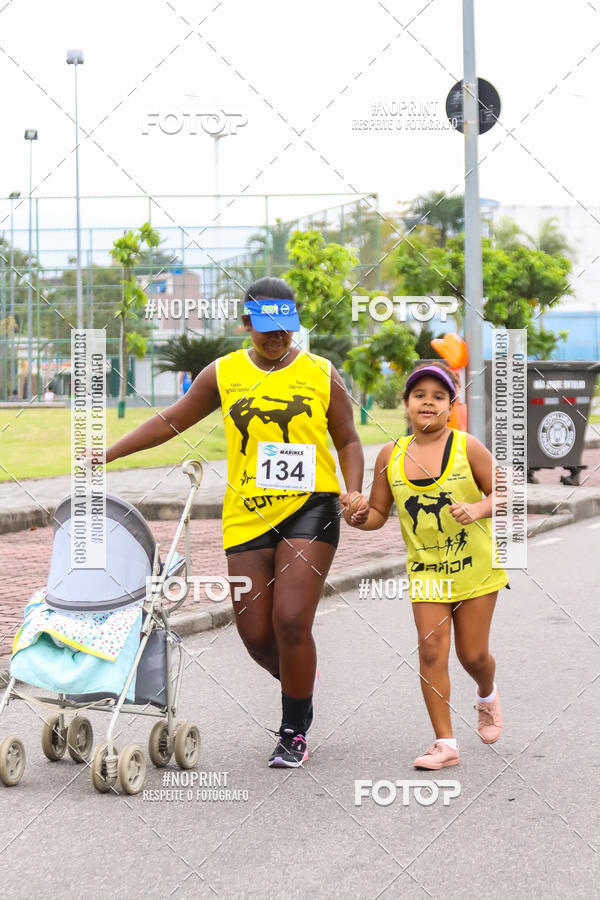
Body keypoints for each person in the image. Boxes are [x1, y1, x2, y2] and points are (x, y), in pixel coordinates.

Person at [105, 276, 364, 768]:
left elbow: (348, 439)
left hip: (311, 507)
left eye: (285, 326)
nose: (277, 336)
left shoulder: (320, 372)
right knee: (256, 636)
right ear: (246, 323)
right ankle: (299, 684)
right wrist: (110, 453)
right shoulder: (223, 373)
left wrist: (352, 490)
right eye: (266, 326)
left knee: (291, 619)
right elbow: (170, 421)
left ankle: (293, 729)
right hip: (247, 515)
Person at [345, 361, 508, 770]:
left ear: (451, 406)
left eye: (438, 396)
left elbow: (505, 492)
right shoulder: (391, 455)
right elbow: (378, 514)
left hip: (475, 569)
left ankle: (486, 692)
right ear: (406, 403)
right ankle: (445, 743)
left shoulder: (468, 447)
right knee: (432, 650)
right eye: (419, 395)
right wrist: (357, 516)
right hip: (427, 573)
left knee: (473, 655)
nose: (428, 403)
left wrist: (478, 508)